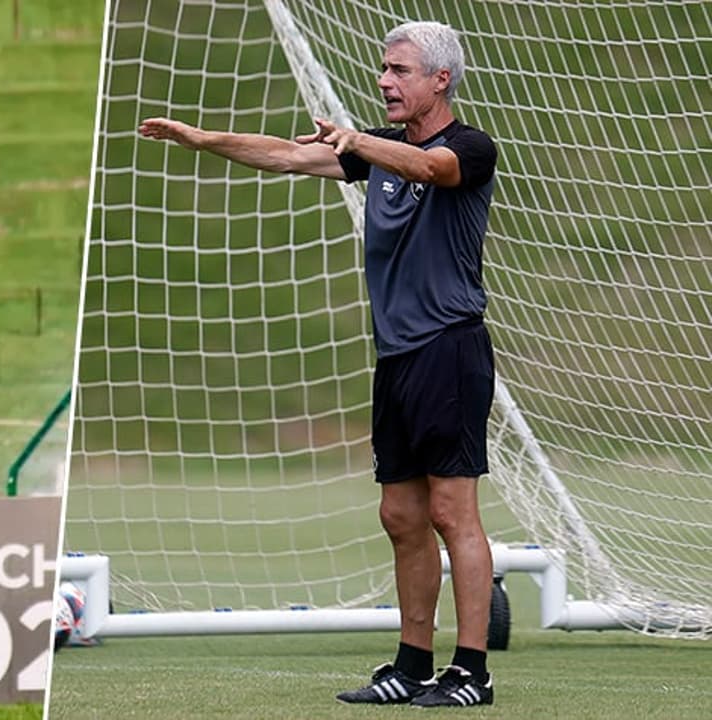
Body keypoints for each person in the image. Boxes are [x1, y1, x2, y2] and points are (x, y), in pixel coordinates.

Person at [138, 20, 497, 708]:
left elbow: (431, 169)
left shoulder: (467, 148)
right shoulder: (379, 150)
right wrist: (203, 138)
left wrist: (358, 140)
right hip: (396, 356)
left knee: (454, 512)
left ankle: (471, 672)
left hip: (449, 350)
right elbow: (284, 157)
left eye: (399, 70)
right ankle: (411, 664)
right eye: (383, 69)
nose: (385, 81)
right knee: (400, 514)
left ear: (440, 79)